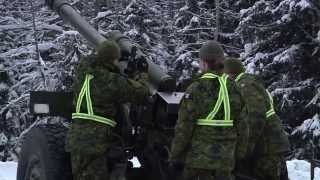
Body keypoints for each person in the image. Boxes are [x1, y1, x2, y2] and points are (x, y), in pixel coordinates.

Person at [66, 40, 150, 180]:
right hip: (96, 141)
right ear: (112, 60)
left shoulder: (83, 70)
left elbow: (96, 60)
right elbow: (141, 94)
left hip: (76, 139)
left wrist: (115, 59)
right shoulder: (109, 81)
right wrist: (142, 75)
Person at [169, 41, 249, 180]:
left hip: (199, 161)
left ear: (204, 63)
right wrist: (238, 154)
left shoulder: (196, 88)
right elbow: (243, 126)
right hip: (226, 160)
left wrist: (175, 155)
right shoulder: (234, 87)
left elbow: (184, 127)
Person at [224, 58, 290, 180]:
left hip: (266, 149)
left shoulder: (245, 86)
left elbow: (255, 119)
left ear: (229, 73)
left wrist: (244, 152)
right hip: (268, 146)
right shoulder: (248, 83)